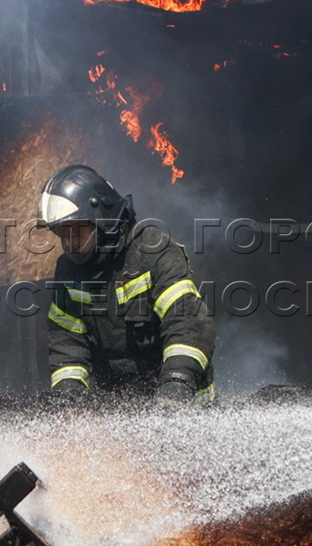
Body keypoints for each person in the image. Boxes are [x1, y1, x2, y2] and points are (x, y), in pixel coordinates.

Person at [38, 163, 216, 405]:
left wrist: (177, 382)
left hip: (184, 407)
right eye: (62, 234)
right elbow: (67, 342)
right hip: (120, 412)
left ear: (101, 220)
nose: (69, 243)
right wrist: (69, 397)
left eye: (76, 231)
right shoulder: (69, 272)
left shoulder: (154, 252)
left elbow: (187, 322)